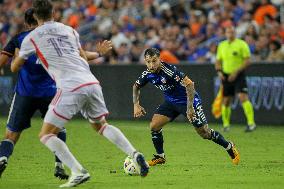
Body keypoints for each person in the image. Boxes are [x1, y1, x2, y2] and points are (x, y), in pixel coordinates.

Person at [11, 0, 149, 187]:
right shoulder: (69, 30)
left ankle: (77, 171)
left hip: (69, 86)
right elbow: (83, 57)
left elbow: (16, 66)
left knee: (46, 135)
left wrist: (20, 55)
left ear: (35, 16)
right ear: (54, 12)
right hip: (90, 82)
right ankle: (135, 154)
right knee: (101, 125)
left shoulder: (31, 38)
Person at [133, 48, 240, 167]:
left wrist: (190, 108)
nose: (151, 65)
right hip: (170, 102)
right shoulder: (147, 74)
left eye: (154, 61)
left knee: (204, 133)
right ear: (145, 61)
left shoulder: (169, 71)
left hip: (189, 101)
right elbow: (136, 86)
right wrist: (136, 104)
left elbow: (190, 84)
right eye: (148, 62)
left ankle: (229, 146)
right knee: (154, 126)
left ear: (159, 59)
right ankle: (160, 157)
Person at [0, 8, 69, 180]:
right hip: (50, 93)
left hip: (25, 93)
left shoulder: (19, 39)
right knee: (58, 129)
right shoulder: (54, 37)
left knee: (11, 135)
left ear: (26, 22)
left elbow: (4, 62)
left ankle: (2, 158)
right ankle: (59, 166)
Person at [215, 26, 256, 132]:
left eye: (232, 32)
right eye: (228, 31)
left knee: (243, 97)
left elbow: (247, 60)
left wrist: (236, 72)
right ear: (225, 33)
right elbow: (218, 61)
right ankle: (226, 125)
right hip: (226, 75)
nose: (230, 33)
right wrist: (219, 72)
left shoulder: (241, 44)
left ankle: (251, 124)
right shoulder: (221, 45)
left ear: (235, 33)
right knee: (226, 100)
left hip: (238, 75)